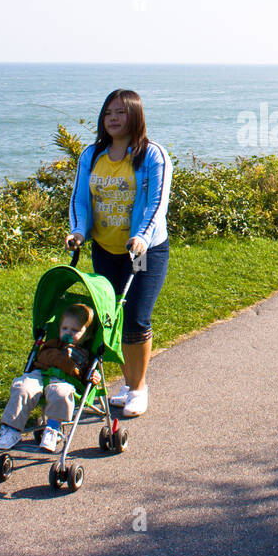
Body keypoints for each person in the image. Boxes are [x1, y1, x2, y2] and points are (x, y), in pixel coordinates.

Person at [66, 89, 172, 418]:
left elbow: (157, 202)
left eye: (121, 113)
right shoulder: (92, 154)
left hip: (142, 252)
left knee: (136, 319)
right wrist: (79, 230)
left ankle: (138, 389)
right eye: (108, 112)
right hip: (105, 249)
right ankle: (127, 384)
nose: (113, 118)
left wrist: (141, 237)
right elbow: (80, 198)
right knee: (113, 319)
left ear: (135, 117)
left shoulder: (152, 155)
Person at [0, 304, 100, 453]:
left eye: (75, 330)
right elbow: (42, 357)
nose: (68, 332)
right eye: (65, 328)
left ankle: (53, 428)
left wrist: (94, 376)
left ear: (87, 335)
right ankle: (11, 429)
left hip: (65, 381)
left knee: (60, 393)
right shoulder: (53, 344)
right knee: (22, 387)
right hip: (40, 374)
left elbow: (88, 375)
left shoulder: (86, 355)